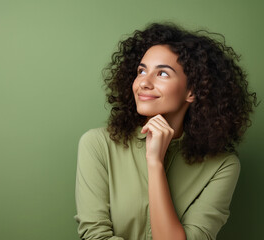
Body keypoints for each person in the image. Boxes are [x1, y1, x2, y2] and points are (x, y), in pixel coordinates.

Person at [74, 22, 257, 240]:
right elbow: (94, 235)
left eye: (162, 73)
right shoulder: (97, 144)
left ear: (192, 91)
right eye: (142, 71)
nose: (144, 82)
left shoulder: (222, 166)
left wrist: (155, 163)